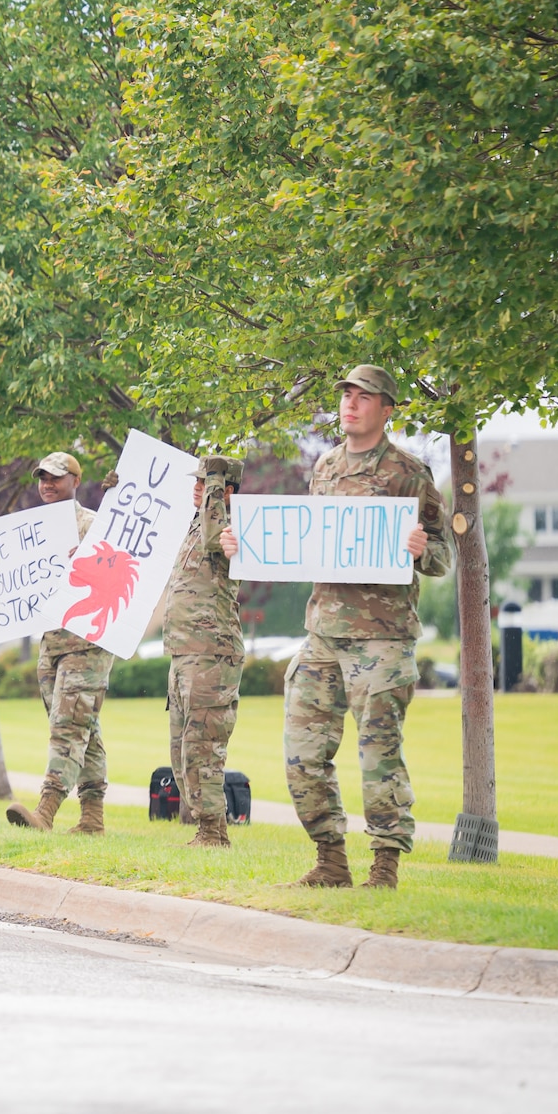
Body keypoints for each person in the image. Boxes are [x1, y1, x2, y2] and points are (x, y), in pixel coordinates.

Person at [221, 366, 452, 889]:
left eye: (363, 396)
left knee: (379, 755)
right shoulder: (324, 468)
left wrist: (422, 551)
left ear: (386, 409)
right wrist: (244, 547)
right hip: (322, 633)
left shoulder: (407, 474)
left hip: (383, 639)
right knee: (303, 753)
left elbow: (443, 557)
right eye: (346, 394)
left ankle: (385, 868)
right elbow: (305, 540)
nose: (350, 403)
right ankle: (331, 861)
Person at [0, 452, 117, 835]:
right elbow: (10, 584)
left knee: (68, 726)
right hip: (51, 645)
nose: (48, 484)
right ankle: (92, 819)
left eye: (57, 478)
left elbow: (120, 578)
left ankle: (45, 812)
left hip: (88, 643)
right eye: (42, 478)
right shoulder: (30, 533)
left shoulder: (95, 527)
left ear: (75, 481)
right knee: (84, 727)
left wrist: (92, 560)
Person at [161, 455, 244, 848]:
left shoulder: (231, 528)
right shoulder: (197, 526)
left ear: (226, 490)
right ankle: (205, 827)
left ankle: (214, 832)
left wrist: (215, 484)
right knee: (181, 751)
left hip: (213, 653)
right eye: (198, 481)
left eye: (207, 482)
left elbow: (218, 541)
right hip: (185, 653)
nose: (198, 487)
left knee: (203, 748)